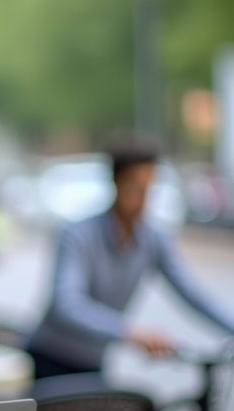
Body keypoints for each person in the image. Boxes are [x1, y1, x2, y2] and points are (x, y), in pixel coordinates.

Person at [26, 137, 234, 379]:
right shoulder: (76, 234)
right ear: (114, 182)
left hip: (94, 361)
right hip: (50, 357)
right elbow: (67, 304)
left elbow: (192, 293)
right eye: (132, 187)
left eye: (148, 188)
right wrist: (129, 331)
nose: (141, 199)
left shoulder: (153, 239)